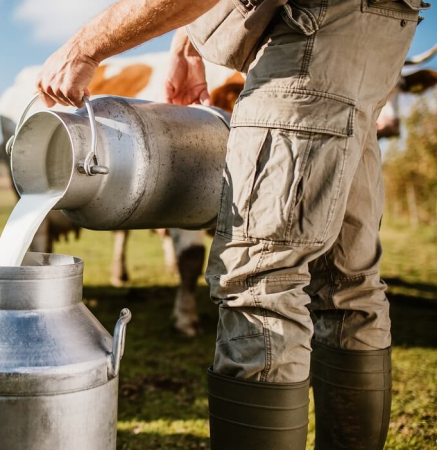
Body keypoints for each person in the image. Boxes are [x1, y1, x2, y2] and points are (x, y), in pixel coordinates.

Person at [35, 0, 425, 448]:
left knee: (260, 280)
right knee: (346, 282)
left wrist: (84, 47)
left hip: (307, 34)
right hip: (371, 29)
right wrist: (187, 42)